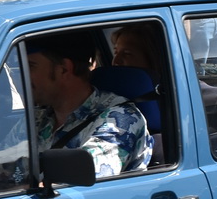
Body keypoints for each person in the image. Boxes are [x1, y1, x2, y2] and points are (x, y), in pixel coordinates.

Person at [26, 31, 149, 177]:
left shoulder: (119, 120)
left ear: (64, 69)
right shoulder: (39, 116)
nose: (22, 75)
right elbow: (2, 164)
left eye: (30, 66)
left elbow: (81, 181)